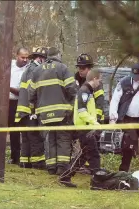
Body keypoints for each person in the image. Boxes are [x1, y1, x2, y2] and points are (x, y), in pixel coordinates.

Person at [29, 47, 77, 187]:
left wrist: (34, 110)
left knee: (49, 139)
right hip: (63, 113)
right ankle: (62, 167)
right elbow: (72, 89)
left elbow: (31, 93)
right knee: (63, 139)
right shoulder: (63, 68)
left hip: (44, 113)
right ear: (58, 56)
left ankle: (51, 167)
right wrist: (72, 106)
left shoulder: (37, 71)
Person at [0, 47, 29, 165]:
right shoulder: (8, 63)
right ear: (17, 56)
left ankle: (15, 157)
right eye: (23, 57)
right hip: (3, 101)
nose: (25, 60)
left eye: (27, 57)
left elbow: (20, 92)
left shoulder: (28, 69)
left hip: (16, 101)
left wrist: (6, 86)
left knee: (14, 130)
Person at [15, 47, 48, 169]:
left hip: (24, 110)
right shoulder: (35, 70)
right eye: (45, 59)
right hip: (29, 110)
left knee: (26, 137)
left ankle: (25, 161)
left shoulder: (28, 69)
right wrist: (33, 109)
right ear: (40, 58)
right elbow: (32, 91)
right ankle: (37, 163)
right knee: (35, 137)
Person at [70, 69, 102, 176]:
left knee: (84, 155)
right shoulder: (84, 91)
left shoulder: (87, 91)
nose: (99, 82)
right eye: (99, 79)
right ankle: (97, 180)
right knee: (94, 155)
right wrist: (94, 122)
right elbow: (82, 112)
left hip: (85, 127)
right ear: (95, 79)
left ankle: (66, 176)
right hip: (85, 128)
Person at [75, 53, 105, 123]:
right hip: (82, 122)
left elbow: (99, 102)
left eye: (83, 68)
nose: (80, 70)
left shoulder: (96, 83)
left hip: (94, 121)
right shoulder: (76, 80)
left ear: (90, 69)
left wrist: (97, 119)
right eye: (79, 67)